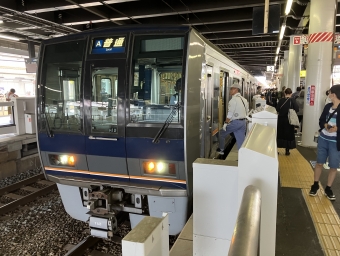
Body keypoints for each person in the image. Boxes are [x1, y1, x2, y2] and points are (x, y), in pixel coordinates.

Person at [309, 84, 340, 200]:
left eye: (331, 92)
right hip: (323, 138)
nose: (329, 94)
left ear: (335, 94)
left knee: (333, 166)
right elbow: (321, 120)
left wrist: (337, 128)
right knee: (319, 163)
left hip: (335, 142)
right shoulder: (328, 106)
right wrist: (325, 125)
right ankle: (315, 184)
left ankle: (328, 188)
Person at [217, 83, 248, 155]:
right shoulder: (244, 100)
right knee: (241, 141)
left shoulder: (233, 100)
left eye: (231, 89)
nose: (230, 90)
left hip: (235, 122)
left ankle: (221, 149)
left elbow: (230, 113)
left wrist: (226, 123)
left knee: (221, 133)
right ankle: (242, 158)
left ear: (236, 90)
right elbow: (246, 111)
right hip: (243, 122)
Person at [276, 88, 299, 156]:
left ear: (285, 94)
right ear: (291, 94)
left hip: (281, 120)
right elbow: (297, 109)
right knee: (288, 135)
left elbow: (277, 109)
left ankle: (277, 149)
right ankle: (287, 151)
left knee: (280, 134)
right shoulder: (293, 100)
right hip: (289, 121)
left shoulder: (281, 100)